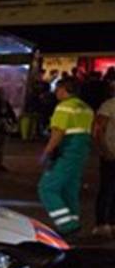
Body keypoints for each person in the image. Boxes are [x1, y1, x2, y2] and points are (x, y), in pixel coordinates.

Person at [38, 77, 93, 238]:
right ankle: (73, 223)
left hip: (66, 150)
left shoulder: (64, 107)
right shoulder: (86, 107)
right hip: (81, 150)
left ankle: (67, 225)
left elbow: (58, 132)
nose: (55, 92)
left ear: (64, 90)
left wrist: (47, 152)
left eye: (57, 89)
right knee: (70, 189)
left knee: (47, 188)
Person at [94, 81, 115, 236]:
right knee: (107, 189)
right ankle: (102, 222)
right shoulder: (109, 105)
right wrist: (104, 150)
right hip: (111, 153)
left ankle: (111, 222)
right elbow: (98, 129)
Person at [0, 97, 17, 172]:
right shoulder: (4, 103)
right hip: (1, 127)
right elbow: (12, 115)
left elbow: (12, 114)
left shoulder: (1, 103)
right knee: (0, 146)